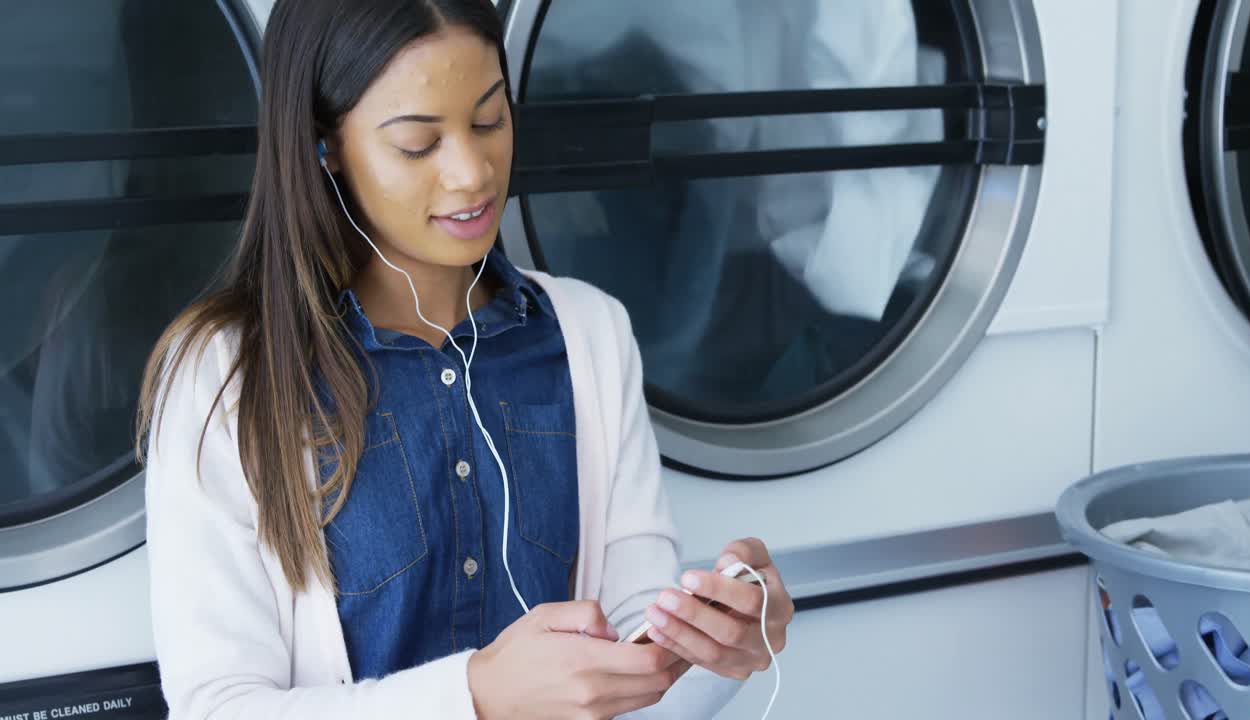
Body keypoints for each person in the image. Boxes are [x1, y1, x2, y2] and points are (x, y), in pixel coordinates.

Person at [135, 1, 795, 718]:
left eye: (488, 121)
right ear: (325, 145)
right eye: (419, 143)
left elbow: (635, 672)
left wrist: (718, 647)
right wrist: (475, 695)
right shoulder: (222, 375)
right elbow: (217, 709)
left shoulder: (591, 334)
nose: (473, 173)